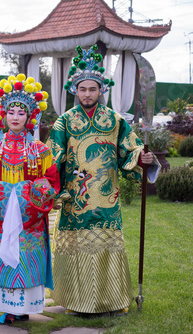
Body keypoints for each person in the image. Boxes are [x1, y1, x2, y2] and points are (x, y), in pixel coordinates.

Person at [47, 45, 160, 315]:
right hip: (75, 201)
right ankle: (77, 302)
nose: (87, 94)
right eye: (83, 89)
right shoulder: (64, 122)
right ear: (75, 91)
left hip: (108, 201)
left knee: (106, 245)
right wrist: (50, 189)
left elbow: (130, 150)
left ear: (101, 91)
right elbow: (52, 159)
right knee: (78, 248)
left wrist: (142, 159)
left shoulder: (115, 121)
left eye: (92, 89)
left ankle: (109, 302)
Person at [0, 74, 60, 324]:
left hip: (29, 217)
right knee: (3, 254)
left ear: (29, 117)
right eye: (11, 112)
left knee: (26, 255)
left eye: (21, 113)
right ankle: (7, 307)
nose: (16, 117)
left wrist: (22, 195)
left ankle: (25, 306)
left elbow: (51, 181)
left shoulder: (41, 150)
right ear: (3, 114)